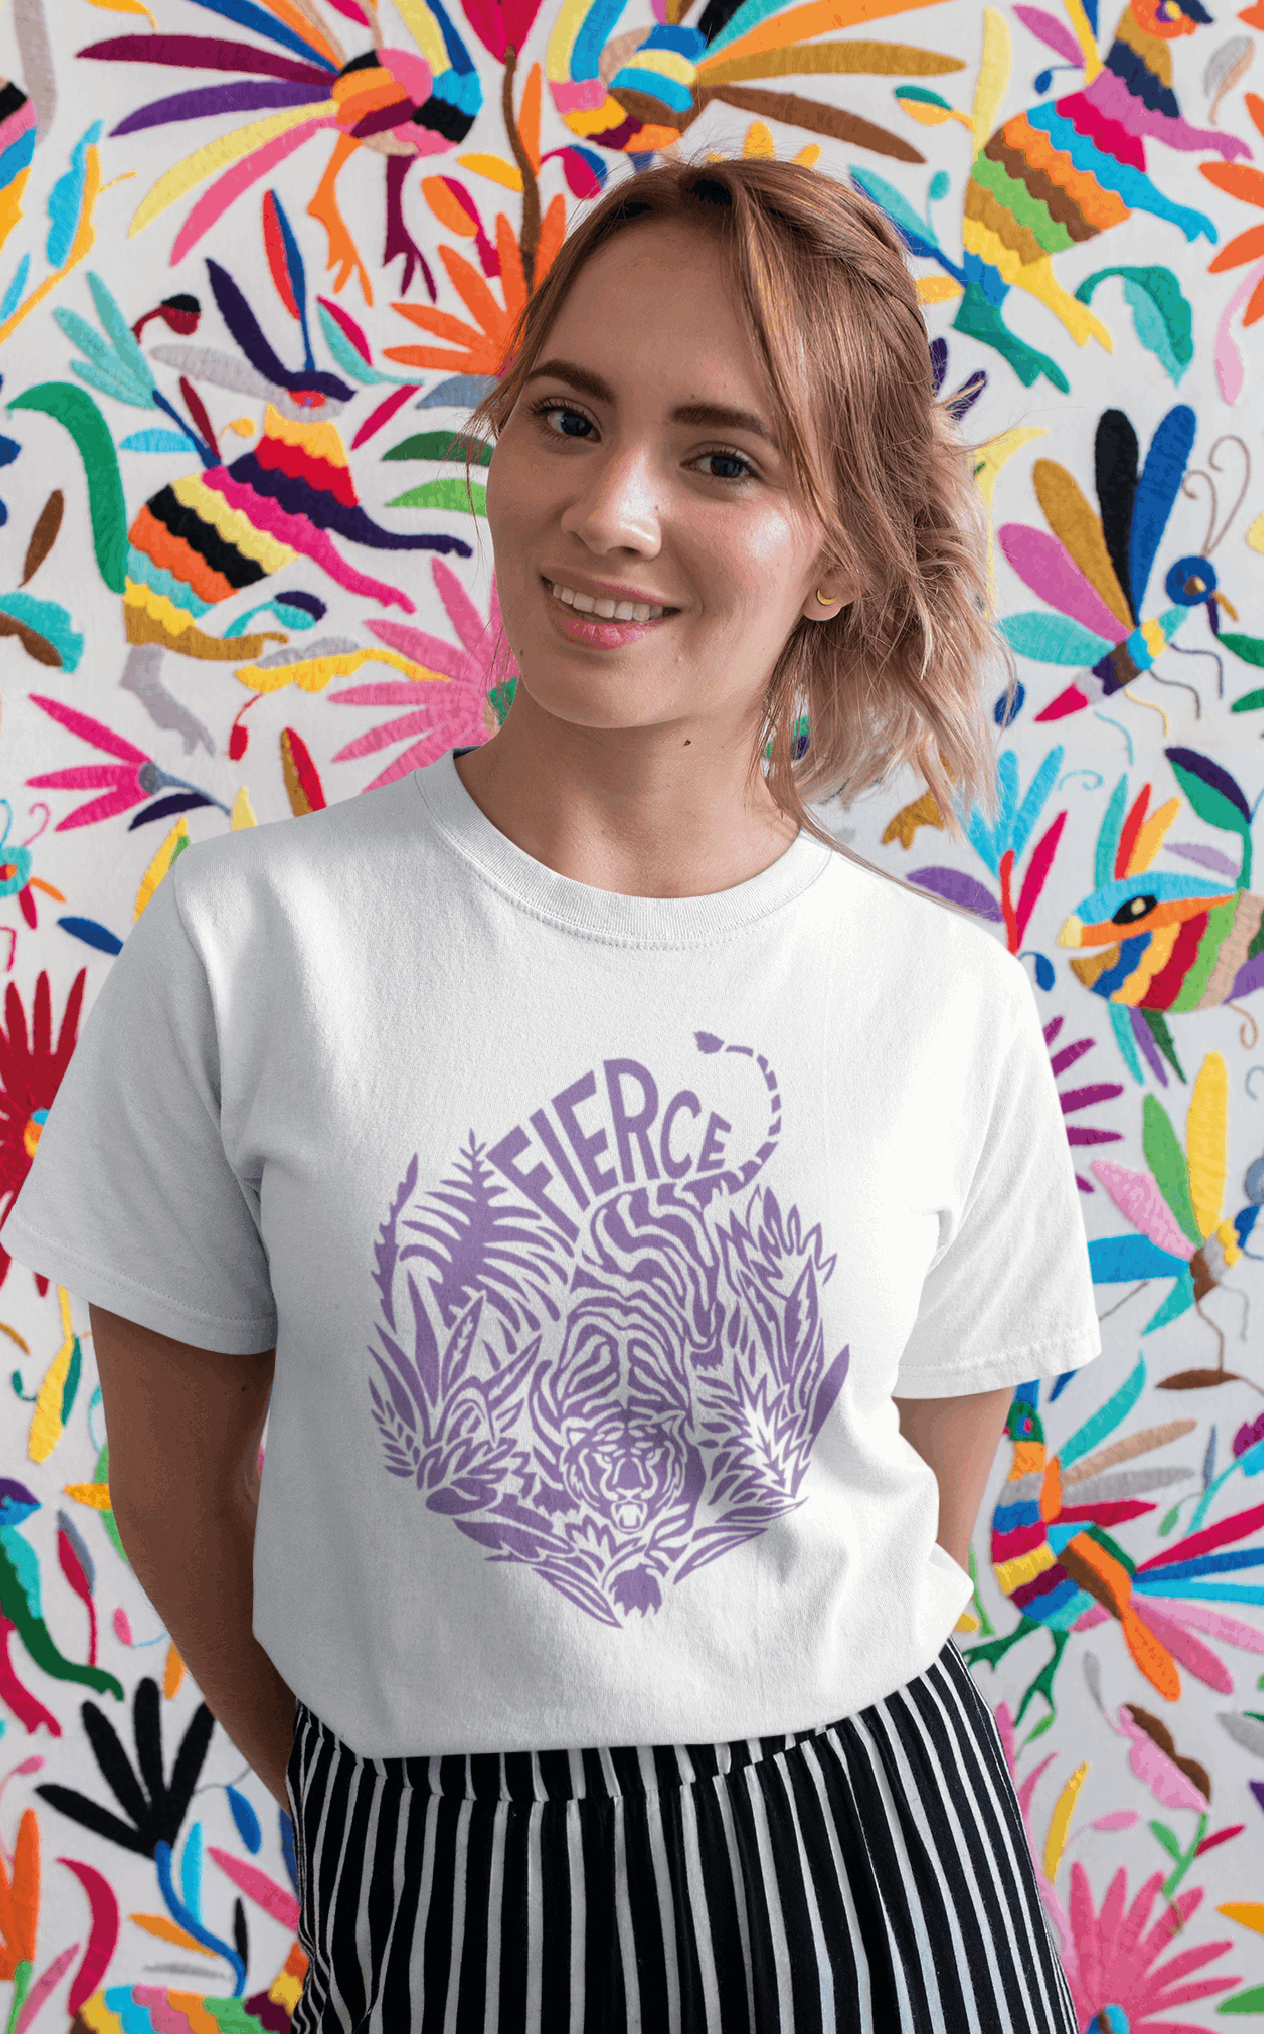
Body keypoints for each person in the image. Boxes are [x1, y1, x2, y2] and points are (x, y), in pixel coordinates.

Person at [1, 155, 1099, 2032]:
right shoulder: (259, 941)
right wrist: (390, 1798)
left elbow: (932, 1508)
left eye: (725, 459)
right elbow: (178, 1494)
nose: (609, 511)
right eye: (567, 418)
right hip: (434, 1875)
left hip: (882, 1868)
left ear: (837, 549)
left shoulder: (943, 999)